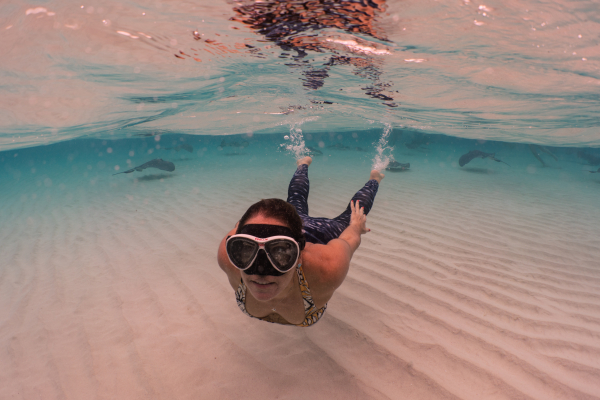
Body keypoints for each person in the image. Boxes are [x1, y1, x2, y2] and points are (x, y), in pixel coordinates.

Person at [217, 156, 384, 327]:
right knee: (295, 200)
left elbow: (350, 239)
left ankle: (375, 178)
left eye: (280, 253)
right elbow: (242, 227)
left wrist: (356, 228)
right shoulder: (228, 256)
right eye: (247, 250)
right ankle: (303, 164)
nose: (260, 273)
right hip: (289, 229)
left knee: (350, 218)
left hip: (320, 232)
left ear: (299, 256)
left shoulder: (327, 268)